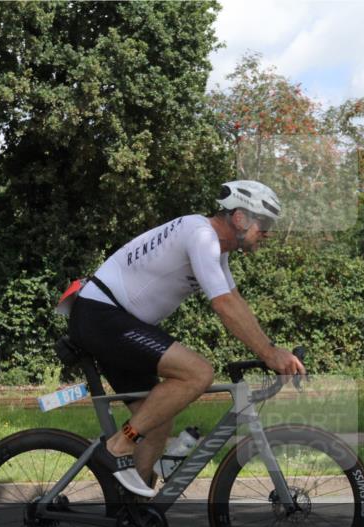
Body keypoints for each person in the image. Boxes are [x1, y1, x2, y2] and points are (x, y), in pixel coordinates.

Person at [68, 180, 306, 501]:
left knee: (157, 422)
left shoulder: (214, 248)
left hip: (113, 319)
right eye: (264, 224)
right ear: (239, 218)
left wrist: (271, 350)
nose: (267, 233)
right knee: (198, 373)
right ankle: (118, 445)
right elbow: (223, 305)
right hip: (103, 315)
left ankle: (134, 513)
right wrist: (268, 353)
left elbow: (235, 301)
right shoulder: (201, 235)